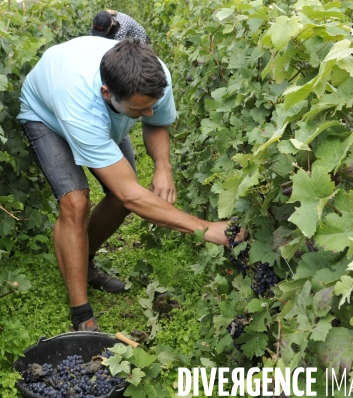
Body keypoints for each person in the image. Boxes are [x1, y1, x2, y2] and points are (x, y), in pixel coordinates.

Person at [18, 36, 245, 332]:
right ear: (106, 93)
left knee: (117, 197)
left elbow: (156, 122)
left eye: (151, 105)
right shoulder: (79, 104)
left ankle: (83, 263)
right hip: (47, 117)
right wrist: (205, 228)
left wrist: (163, 166)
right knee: (75, 201)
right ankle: (81, 315)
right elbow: (131, 195)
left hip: (102, 113)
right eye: (140, 109)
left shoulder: (153, 77)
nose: (148, 113)